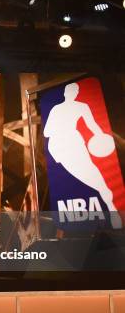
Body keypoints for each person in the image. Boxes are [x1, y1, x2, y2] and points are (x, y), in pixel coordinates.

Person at [43, 82, 122, 229]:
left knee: (90, 174)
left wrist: (101, 137)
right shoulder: (77, 107)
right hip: (64, 146)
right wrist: (99, 135)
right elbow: (92, 126)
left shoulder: (62, 108)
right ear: (73, 93)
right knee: (87, 176)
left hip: (64, 145)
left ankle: (109, 205)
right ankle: (109, 204)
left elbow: (47, 132)